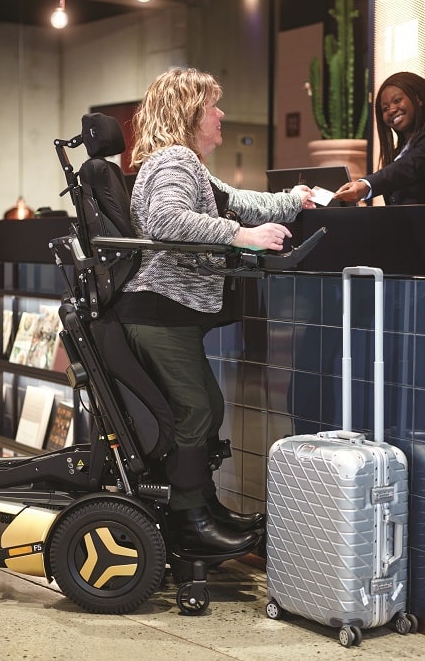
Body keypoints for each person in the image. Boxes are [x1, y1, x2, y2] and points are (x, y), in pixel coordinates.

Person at [115, 67, 315, 556]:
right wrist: (241, 236)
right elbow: (166, 218)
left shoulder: (184, 164)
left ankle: (203, 507)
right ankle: (189, 522)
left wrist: (294, 201)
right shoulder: (174, 160)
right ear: (188, 112)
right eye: (211, 106)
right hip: (159, 312)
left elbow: (236, 200)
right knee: (197, 408)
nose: (221, 114)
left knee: (206, 407)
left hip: (167, 313)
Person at [334, 71, 425, 206]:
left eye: (397, 101)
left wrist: (367, 185)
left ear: (418, 99)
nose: (391, 110)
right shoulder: (399, 152)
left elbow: (408, 168)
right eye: (385, 109)